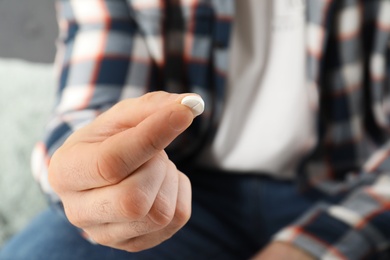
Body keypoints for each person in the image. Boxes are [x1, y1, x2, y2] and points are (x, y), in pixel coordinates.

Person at [1, 0, 390, 259]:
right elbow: (88, 107)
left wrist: (309, 247)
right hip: (182, 194)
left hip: (358, 189)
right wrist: (95, 175)